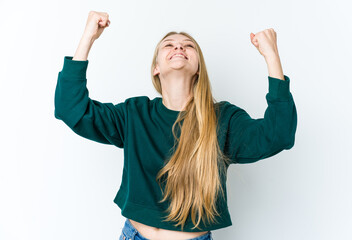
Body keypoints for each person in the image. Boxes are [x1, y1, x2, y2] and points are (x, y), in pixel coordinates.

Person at [54, 11, 297, 240]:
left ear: (198, 68)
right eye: (169, 45)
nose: (179, 46)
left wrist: (271, 56)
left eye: (188, 45)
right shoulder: (134, 114)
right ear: (156, 69)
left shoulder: (223, 119)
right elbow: (71, 108)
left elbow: (279, 134)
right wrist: (88, 37)